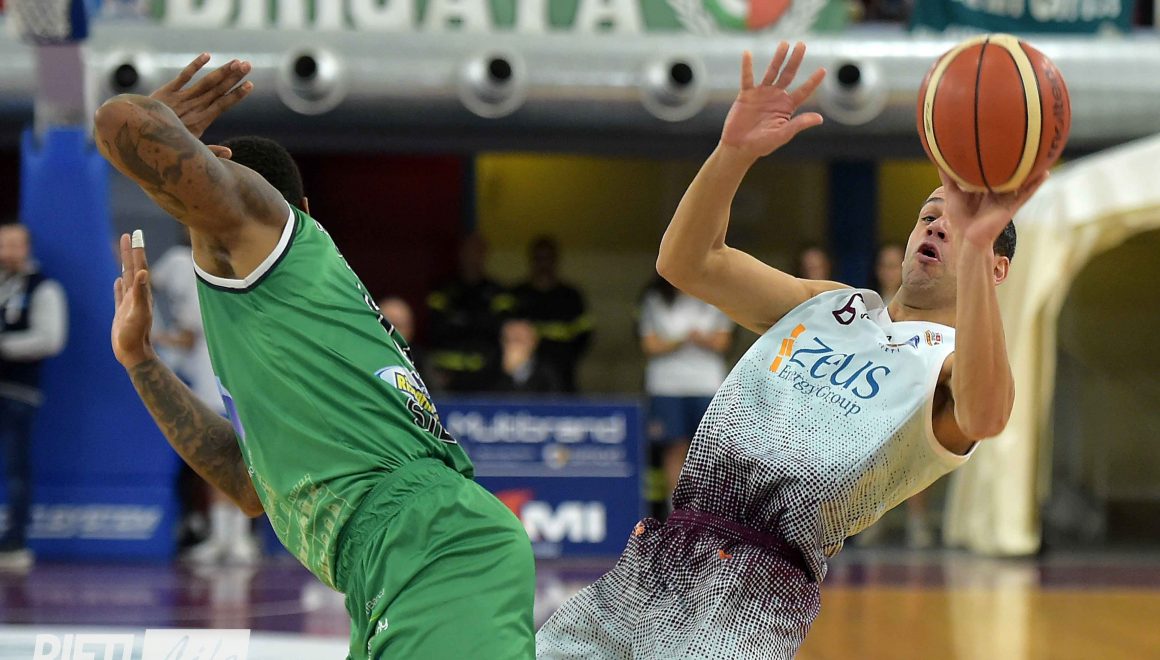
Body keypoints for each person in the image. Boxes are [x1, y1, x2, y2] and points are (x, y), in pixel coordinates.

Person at [536, 41, 1045, 658]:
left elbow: (986, 415)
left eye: (958, 224)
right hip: (658, 557)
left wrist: (979, 240)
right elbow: (687, 262)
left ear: (995, 267)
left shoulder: (950, 366)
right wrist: (733, 153)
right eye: (927, 214)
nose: (936, 225)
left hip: (751, 595)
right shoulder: (831, 304)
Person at [98, 54, 533, 659]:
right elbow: (249, 486)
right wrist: (142, 363)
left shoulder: (273, 235)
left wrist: (156, 118)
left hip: (429, 543)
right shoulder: (272, 315)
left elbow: (118, 122)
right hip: (389, 560)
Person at [151, 227, 259, 564]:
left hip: (242, 376)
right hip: (209, 378)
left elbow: (189, 334)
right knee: (220, 457)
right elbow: (148, 281)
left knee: (248, 457)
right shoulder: (180, 262)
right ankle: (223, 538)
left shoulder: (242, 265)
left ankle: (239, 538)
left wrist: (154, 338)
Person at [0, 223, 67, 570]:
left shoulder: (43, 287)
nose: (7, 252)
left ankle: (14, 543)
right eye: (2, 244)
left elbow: (51, 338)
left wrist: (4, 346)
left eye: (14, 244)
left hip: (18, 392)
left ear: (27, 248)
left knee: (16, 470)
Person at [638, 276, 732, 514]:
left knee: (708, 450)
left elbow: (722, 342)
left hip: (707, 385)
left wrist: (698, 338)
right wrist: (681, 340)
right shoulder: (655, 300)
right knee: (675, 447)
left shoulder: (716, 297)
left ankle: (707, 511)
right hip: (667, 386)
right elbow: (650, 345)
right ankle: (676, 512)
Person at [426, 234, 512, 392]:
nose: (472, 257)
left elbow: (498, 328)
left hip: (485, 375)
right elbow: (437, 327)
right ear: (460, 253)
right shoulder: (444, 288)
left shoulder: (496, 291)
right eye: (468, 251)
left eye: (477, 251)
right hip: (445, 375)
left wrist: (460, 320)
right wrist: (477, 321)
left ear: (484, 255)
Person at [509, 236, 592, 393]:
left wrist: (566, 357)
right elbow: (507, 332)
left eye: (548, 258)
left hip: (563, 374)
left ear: (556, 260)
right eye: (539, 258)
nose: (543, 264)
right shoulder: (517, 295)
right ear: (531, 260)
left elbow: (584, 336)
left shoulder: (571, 296)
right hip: (524, 380)